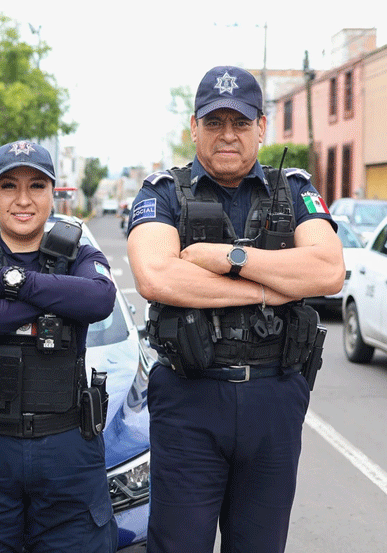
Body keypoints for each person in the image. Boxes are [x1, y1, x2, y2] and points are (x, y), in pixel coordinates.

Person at [126, 66, 345, 553]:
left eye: (241, 123)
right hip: (188, 399)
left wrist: (230, 258)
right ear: (194, 127)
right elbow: (156, 276)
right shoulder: (162, 192)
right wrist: (270, 289)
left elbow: (328, 270)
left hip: (274, 397)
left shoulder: (294, 189)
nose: (228, 134)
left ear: (261, 127)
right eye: (214, 122)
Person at [0, 140, 119, 553]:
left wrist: (12, 283)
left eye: (36, 185)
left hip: (67, 450)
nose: (23, 199)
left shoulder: (80, 255)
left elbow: (99, 299)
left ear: (53, 194)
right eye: (8, 186)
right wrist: (54, 299)